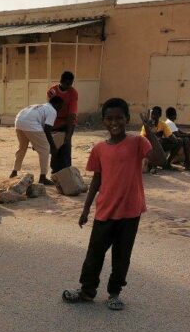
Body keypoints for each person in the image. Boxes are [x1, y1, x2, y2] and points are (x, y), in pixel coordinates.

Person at [62, 98, 166, 310]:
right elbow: (97, 180)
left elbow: (160, 160)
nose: (114, 122)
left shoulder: (138, 142)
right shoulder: (99, 148)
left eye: (119, 118)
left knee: (121, 256)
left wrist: (150, 131)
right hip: (105, 211)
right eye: (109, 119)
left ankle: (114, 293)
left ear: (127, 119)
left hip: (130, 211)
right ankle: (87, 290)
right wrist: (85, 209)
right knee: (94, 254)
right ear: (103, 122)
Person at [10, 97, 64, 186]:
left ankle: (14, 172)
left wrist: (36, 142)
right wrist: (53, 147)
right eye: (61, 106)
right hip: (31, 124)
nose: (61, 108)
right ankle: (43, 177)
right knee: (45, 149)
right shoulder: (52, 110)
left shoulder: (40, 106)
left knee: (22, 147)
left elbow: (40, 129)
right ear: (57, 104)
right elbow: (47, 129)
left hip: (19, 122)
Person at [142, 106, 190, 172]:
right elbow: (143, 139)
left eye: (156, 114)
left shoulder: (163, 124)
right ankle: (153, 165)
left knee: (178, 141)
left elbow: (172, 136)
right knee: (159, 141)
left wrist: (173, 140)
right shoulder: (147, 125)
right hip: (149, 147)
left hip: (159, 146)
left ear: (160, 115)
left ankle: (167, 164)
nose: (153, 116)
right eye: (152, 114)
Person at [46, 71, 78, 175]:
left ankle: (66, 171)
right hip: (54, 121)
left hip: (67, 122)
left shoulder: (73, 93)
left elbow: (72, 115)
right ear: (61, 81)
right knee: (55, 147)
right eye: (67, 84)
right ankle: (55, 171)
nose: (69, 86)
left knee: (66, 146)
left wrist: (68, 135)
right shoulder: (52, 91)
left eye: (71, 84)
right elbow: (50, 109)